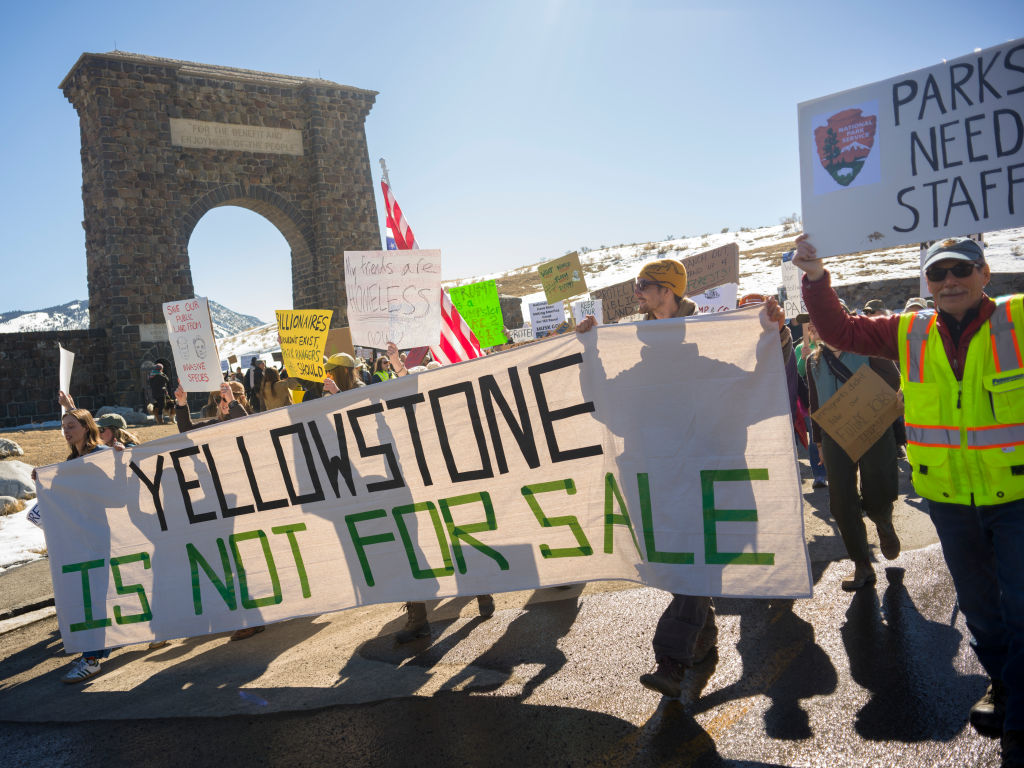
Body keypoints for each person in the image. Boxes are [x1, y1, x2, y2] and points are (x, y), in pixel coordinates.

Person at [793, 234, 1024, 766]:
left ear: (985, 274)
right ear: (927, 283)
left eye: (961, 270)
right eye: (938, 274)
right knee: (982, 612)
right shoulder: (910, 331)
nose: (949, 282)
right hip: (948, 498)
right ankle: (1003, 683)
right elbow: (837, 330)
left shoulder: (1016, 320)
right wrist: (815, 277)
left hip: (1015, 496)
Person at [577, 258, 719, 700]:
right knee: (680, 565)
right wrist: (591, 352)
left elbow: (750, 384)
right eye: (637, 285)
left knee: (693, 563)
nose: (636, 292)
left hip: (696, 474)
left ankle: (671, 661)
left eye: (644, 285)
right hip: (652, 476)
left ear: (669, 292)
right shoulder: (641, 352)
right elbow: (606, 406)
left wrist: (778, 335)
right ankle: (705, 637)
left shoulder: (707, 340)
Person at [383, 341, 495, 641]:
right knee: (415, 547)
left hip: (447, 483)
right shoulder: (404, 412)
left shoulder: (447, 408)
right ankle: (418, 615)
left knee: (458, 537)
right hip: (415, 487)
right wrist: (396, 362)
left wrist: (399, 365)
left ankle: (482, 593)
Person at [804, 312, 902, 591]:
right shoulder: (813, 362)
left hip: (872, 425)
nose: (812, 325)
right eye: (810, 323)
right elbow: (815, 404)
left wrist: (860, 403)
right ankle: (862, 565)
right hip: (835, 436)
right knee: (841, 501)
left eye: (817, 320)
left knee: (878, 487)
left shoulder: (868, 349)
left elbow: (892, 382)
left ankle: (882, 520)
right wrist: (820, 442)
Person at [795, 322, 828, 488]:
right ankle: (819, 475)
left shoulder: (832, 345)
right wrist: (803, 357)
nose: (813, 328)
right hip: (810, 402)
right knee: (815, 440)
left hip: (830, 399)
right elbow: (799, 373)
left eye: (816, 324)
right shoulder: (800, 348)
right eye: (810, 326)